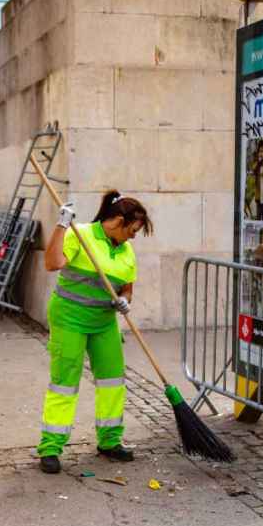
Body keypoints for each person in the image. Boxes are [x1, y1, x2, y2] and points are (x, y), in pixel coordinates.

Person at [37, 190, 154, 474]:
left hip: (103, 321)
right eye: (133, 230)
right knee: (65, 382)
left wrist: (125, 299)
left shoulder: (126, 251)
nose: (134, 236)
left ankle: (110, 441)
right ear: (117, 220)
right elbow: (52, 264)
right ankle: (51, 447)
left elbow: (127, 286)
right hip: (69, 318)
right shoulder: (82, 234)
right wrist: (61, 225)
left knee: (113, 379)